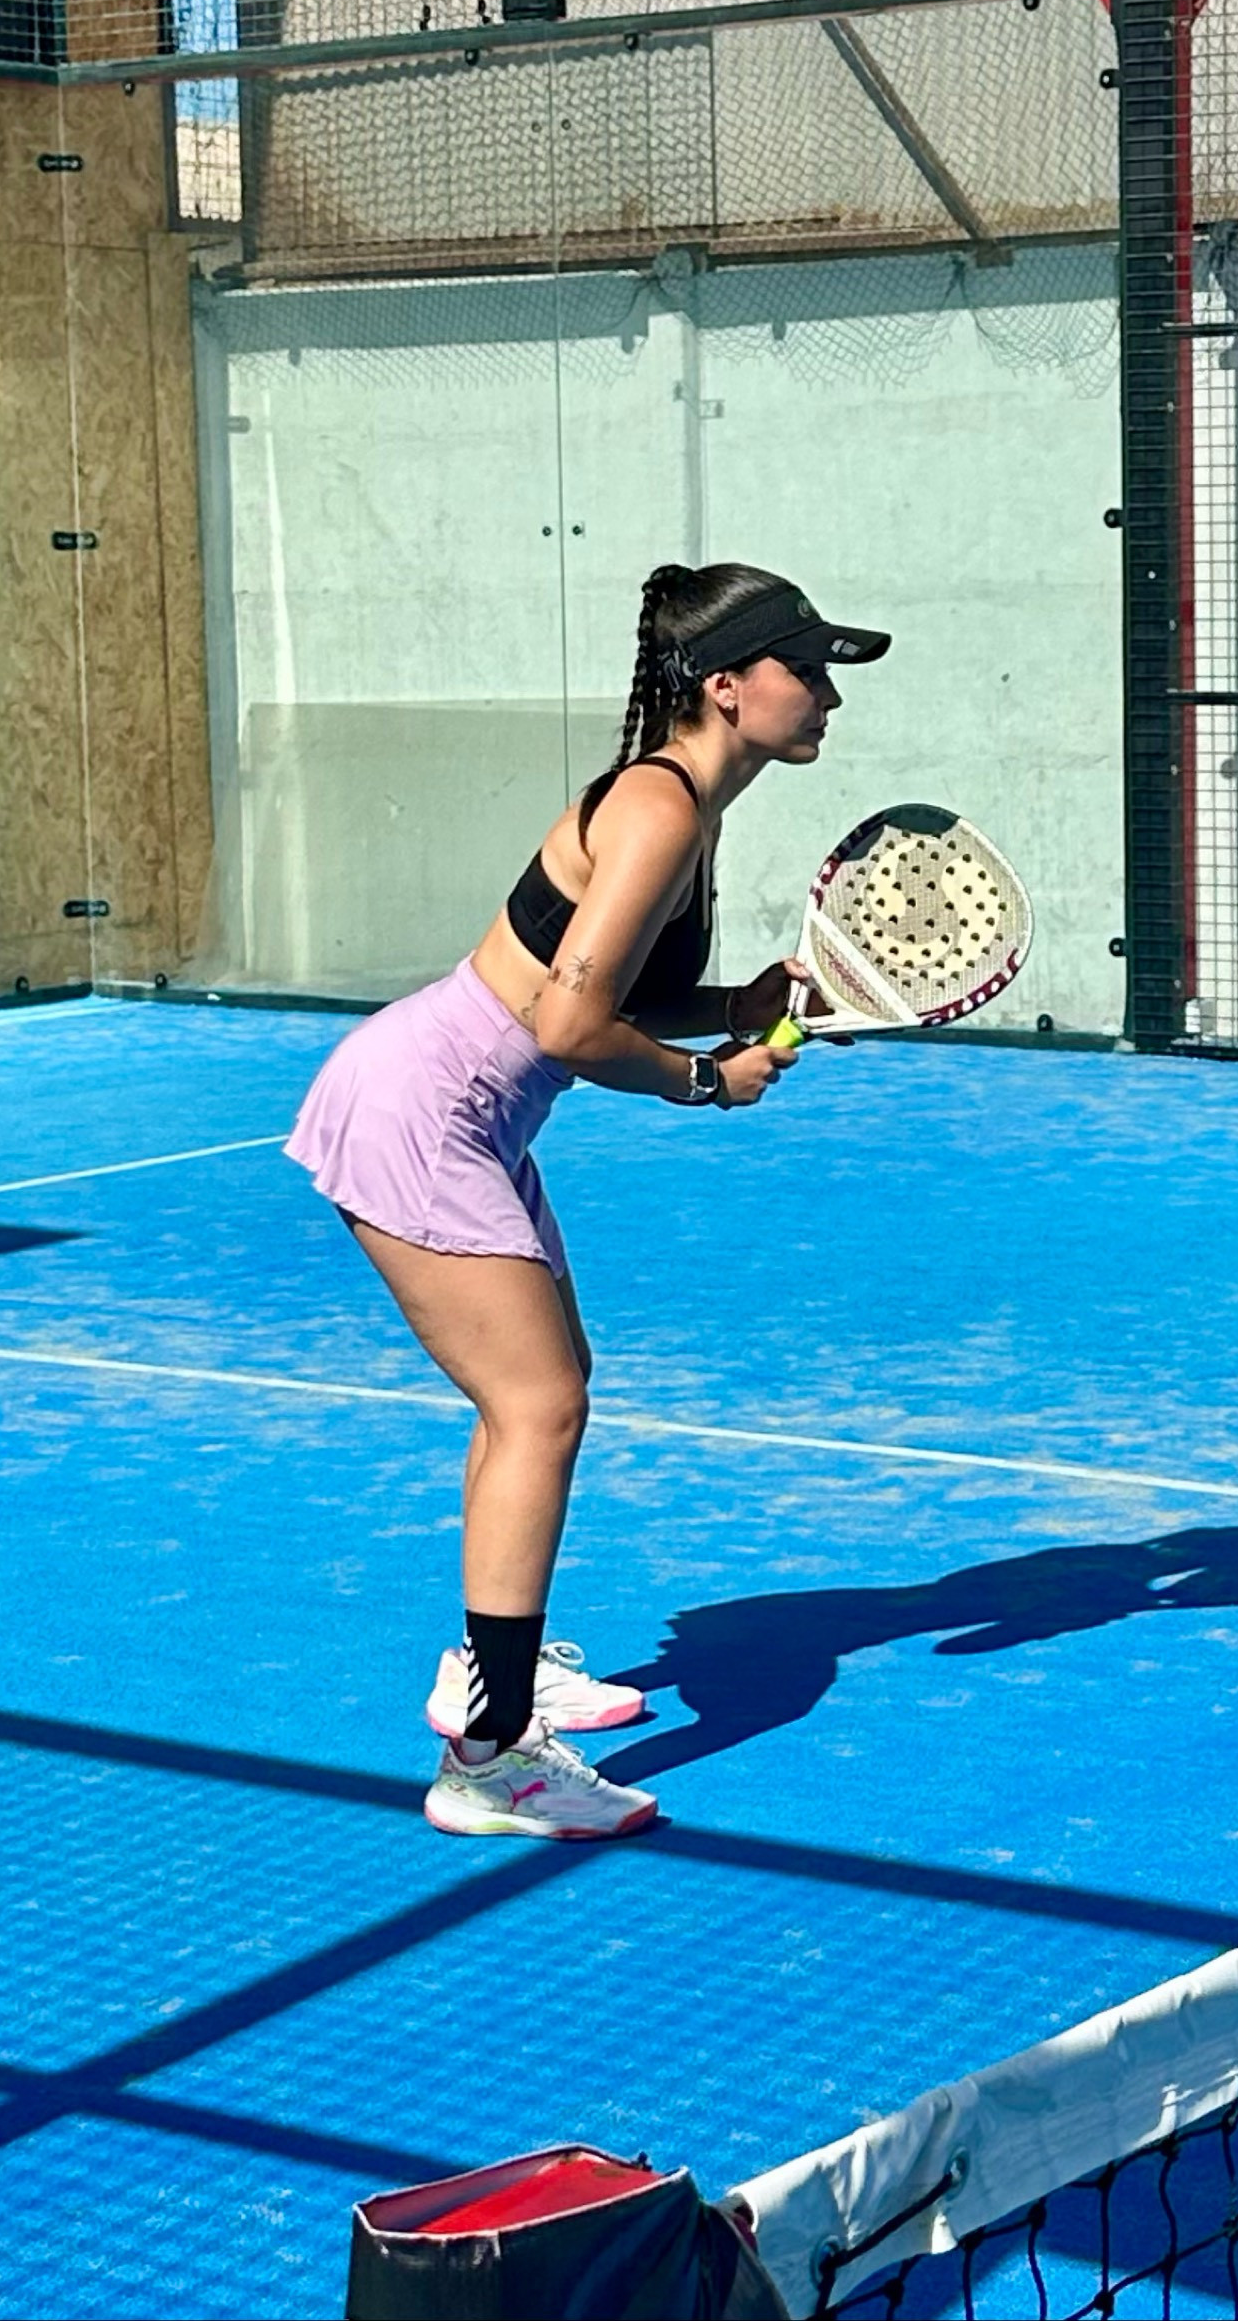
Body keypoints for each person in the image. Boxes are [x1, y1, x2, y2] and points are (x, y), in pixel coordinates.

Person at [285, 562, 891, 1838]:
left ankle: (488, 1667)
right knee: (540, 1404)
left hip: (469, 1108)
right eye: (805, 669)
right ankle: (491, 1761)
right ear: (725, 687)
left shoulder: (681, 804)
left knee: (543, 1395)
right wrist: (707, 1080)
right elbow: (568, 1026)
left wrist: (733, 1006)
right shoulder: (661, 808)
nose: (828, 696)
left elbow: (598, 986)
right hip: (425, 1107)